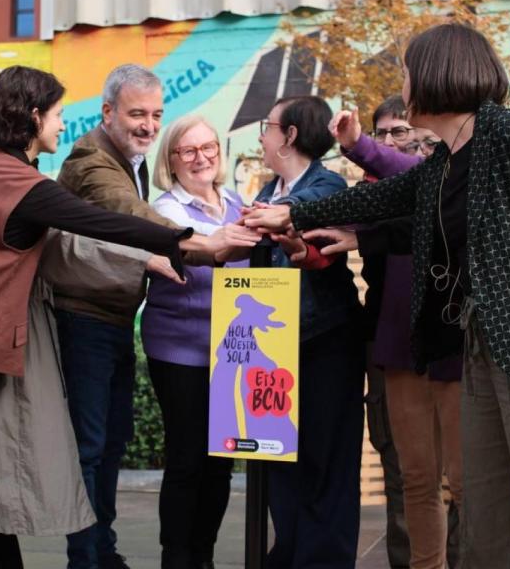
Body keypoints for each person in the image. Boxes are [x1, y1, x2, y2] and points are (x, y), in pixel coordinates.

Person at [244, 23, 510, 568]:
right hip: (484, 351)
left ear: (437, 75)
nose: (402, 84)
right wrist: (294, 212)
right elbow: (390, 195)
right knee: (488, 533)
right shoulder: (451, 159)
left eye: (406, 72)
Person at [0, 66, 228, 569]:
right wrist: (184, 240)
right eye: (58, 115)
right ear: (33, 116)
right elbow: (102, 220)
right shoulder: (21, 184)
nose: (64, 125)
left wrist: (147, 257)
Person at [53, 64, 259, 569]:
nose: (147, 124)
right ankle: (87, 558)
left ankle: (103, 550)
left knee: (112, 442)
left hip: (118, 319)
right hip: (89, 319)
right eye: (137, 114)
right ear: (108, 113)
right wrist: (199, 242)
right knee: (93, 446)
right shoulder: (92, 160)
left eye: (155, 114)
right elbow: (126, 212)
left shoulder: (135, 161)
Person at [323, 95, 463, 569]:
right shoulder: (389, 189)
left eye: (424, 142)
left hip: (455, 350)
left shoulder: (458, 180)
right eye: (406, 141)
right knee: (413, 476)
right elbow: (343, 219)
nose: (416, 152)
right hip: (398, 343)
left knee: (466, 481)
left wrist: (359, 142)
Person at [246, 95, 365, 568]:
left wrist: (267, 217)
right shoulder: (266, 191)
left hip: (325, 343)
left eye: (268, 126)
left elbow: (307, 208)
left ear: (290, 135)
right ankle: (288, 553)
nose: (262, 135)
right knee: (281, 462)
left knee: (326, 461)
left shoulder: (324, 184)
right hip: (274, 350)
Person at [141, 115, 248, 569]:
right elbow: (204, 251)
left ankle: (202, 554)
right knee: (187, 459)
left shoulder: (237, 202)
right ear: (171, 161)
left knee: (222, 460)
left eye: (208, 148)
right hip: (178, 349)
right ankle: (176, 557)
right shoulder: (165, 210)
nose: (201, 157)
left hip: (231, 351)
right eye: (188, 151)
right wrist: (224, 244)